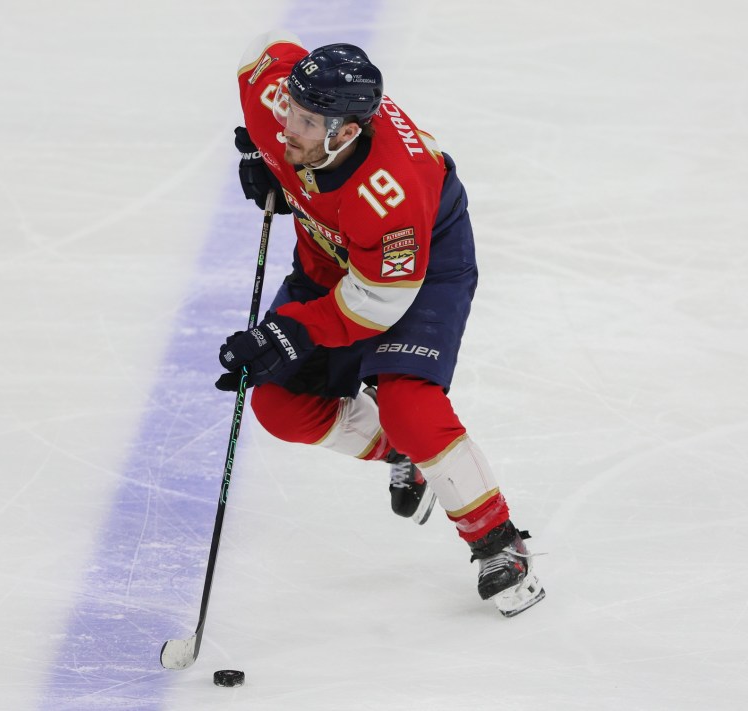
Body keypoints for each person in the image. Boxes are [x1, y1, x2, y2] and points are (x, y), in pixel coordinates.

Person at [214, 30, 545, 617]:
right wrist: (259, 156)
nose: (290, 124)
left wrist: (296, 329)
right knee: (277, 404)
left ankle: (499, 544)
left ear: (347, 133)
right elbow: (262, 50)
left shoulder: (392, 193)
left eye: (309, 122)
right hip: (332, 258)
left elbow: (376, 304)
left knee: (408, 403)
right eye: (291, 106)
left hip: (420, 269)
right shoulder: (281, 103)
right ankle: (408, 454)